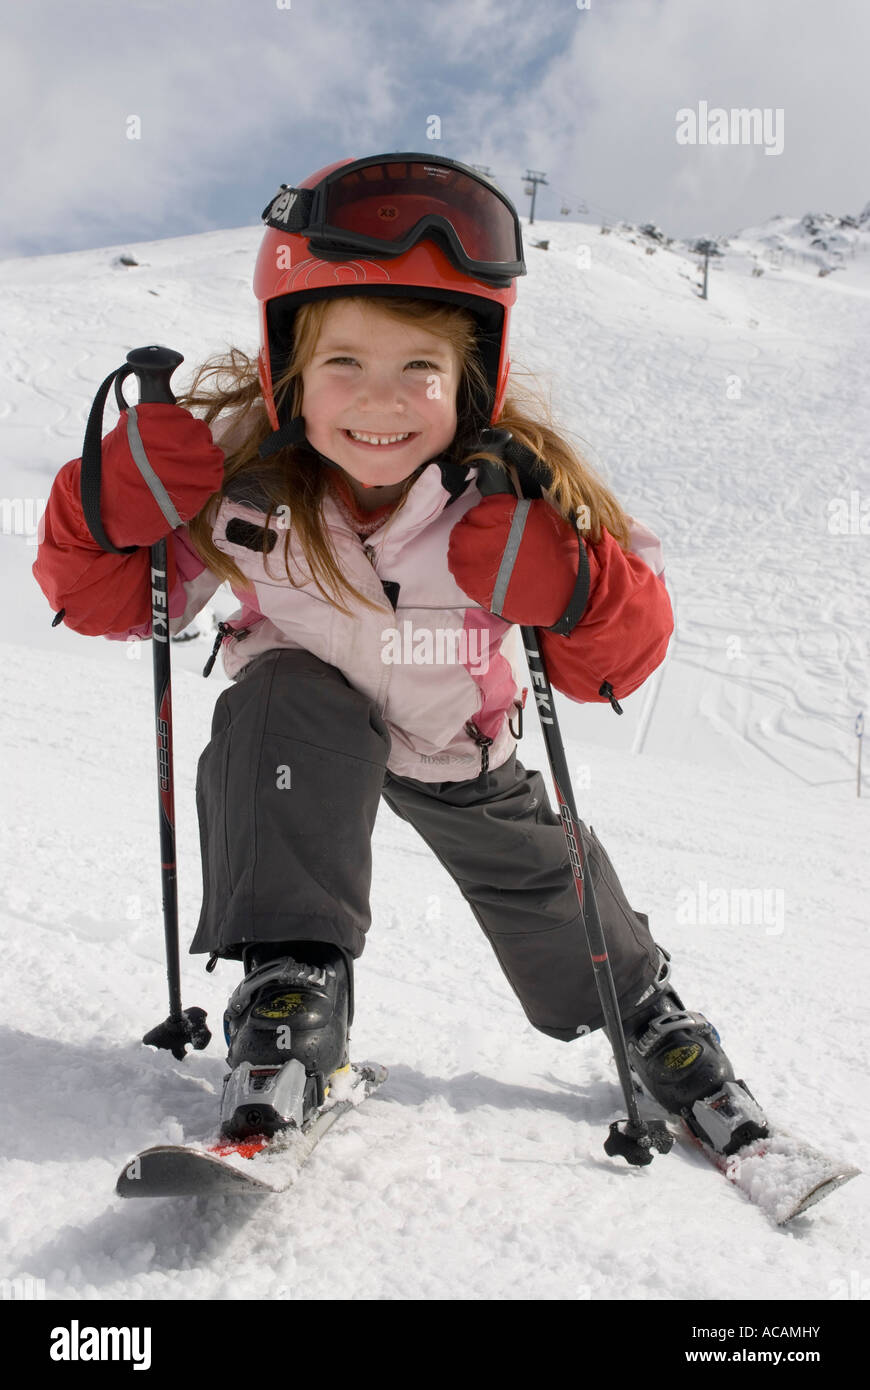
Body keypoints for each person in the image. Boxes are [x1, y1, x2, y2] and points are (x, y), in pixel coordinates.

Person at [33, 152, 765, 1152]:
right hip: (308, 719)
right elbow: (121, 607)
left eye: (419, 369)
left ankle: (640, 1006)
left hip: (453, 737)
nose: (380, 403)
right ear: (289, 368)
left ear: (474, 379)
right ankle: (291, 986)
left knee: (543, 874)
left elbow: (613, 666)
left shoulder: (512, 496)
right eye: (344, 365)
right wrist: (99, 515)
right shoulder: (248, 489)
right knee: (278, 705)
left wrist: (578, 582)